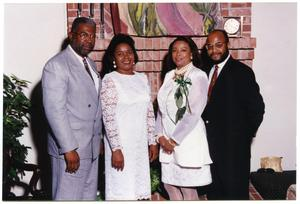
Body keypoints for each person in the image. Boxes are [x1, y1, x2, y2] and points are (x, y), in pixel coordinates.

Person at [42, 17, 102, 200]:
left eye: (92, 36)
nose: (89, 40)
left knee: (87, 198)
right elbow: (55, 110)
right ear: (71, 35)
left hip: (90, 149)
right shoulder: (56, 66)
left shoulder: (90, 64)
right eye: (84, 35)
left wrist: (97, 141)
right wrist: (68, 149)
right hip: (71, 150)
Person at [201, 29, 265, 200]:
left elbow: (257, 109)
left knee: (234, 195)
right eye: (210, 47)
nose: (214, 50)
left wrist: (242, 139)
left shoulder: (242, 72)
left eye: (218, 45)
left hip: (234, 153)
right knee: (214, 195)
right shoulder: (205, 71)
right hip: (210, 150)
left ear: (227, 45)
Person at [100, 33, 158, 200]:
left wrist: (152, 141)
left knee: (138, 191)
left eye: (129, 52)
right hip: (121, 146)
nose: (125, 57)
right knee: (122, 191)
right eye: (120, 53)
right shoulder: (110, 80)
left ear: (134, 55)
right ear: (113, 58)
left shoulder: (142, 78)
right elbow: (108, 117)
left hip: (139, 145)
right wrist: (116, 150)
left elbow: (148, 113)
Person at [155, 36, 212, 200]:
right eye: (174, 50)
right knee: (169, 185)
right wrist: (160, 136)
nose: (178, 54)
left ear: (192, 54)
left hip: (186, 140)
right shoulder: (169, 75)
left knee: (188, 190)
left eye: (183, 50)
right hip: (166, 141)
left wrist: (174, 141)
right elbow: (161, 108)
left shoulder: (198, 76)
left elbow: (194, 112)